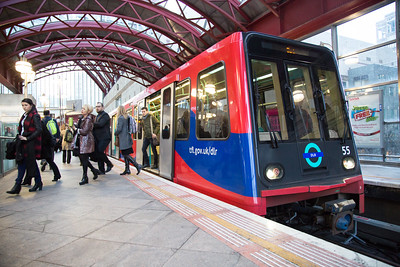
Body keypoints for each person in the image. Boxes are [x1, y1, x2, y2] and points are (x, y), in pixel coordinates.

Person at [7, 98, 43, 194]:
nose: (24, 107)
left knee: (30, 163)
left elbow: (39, 130)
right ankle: (18, 185)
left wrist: (28, 138)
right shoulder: (25, 115)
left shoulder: (35, 116)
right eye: (22, 105)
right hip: (22, 143)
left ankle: (35, 183)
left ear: (31, 105)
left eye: (26, 105)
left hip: (29, 143)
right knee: (22, 162)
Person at [73, 104, 101, 185]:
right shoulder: (82, 118)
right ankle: (94, 170)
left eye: (84, 109)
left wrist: (76, 129)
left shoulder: (88, 119)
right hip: (82, 141)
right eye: (82, 108)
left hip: (86, 141)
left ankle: (85, 177)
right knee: (83, 159)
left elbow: (84, 131)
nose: (82, 110)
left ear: (88, 111)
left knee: (84, 159)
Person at [114, 106, 142, 175]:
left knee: (125, 154)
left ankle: (137, 165)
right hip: (128, 138)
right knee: (126, 153)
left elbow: (119, 129)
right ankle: (127, 169)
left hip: (123, 139)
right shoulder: (127, 117)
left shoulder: (120, 118)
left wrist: (115, 133)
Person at [40, 110, 62, 181]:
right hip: (52, 139)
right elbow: (57, 129)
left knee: (46, 156)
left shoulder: (42, 121)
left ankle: (45, 162)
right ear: (49, 114)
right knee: (50, 155)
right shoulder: (53, 120)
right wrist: (57, 137)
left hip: (44, 141)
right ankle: (55, 172)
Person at [93, 102, 113, 174]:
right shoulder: (97, 116)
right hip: (98, 138)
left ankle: (109, 163)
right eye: (96, 107)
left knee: (99, 151)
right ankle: (101, 170)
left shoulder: (105, 115)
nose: (97, 108)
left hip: (104, 137)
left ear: (103, 107)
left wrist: (92, 123)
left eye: (99, 106)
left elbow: (101, 124)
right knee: (98, 153)